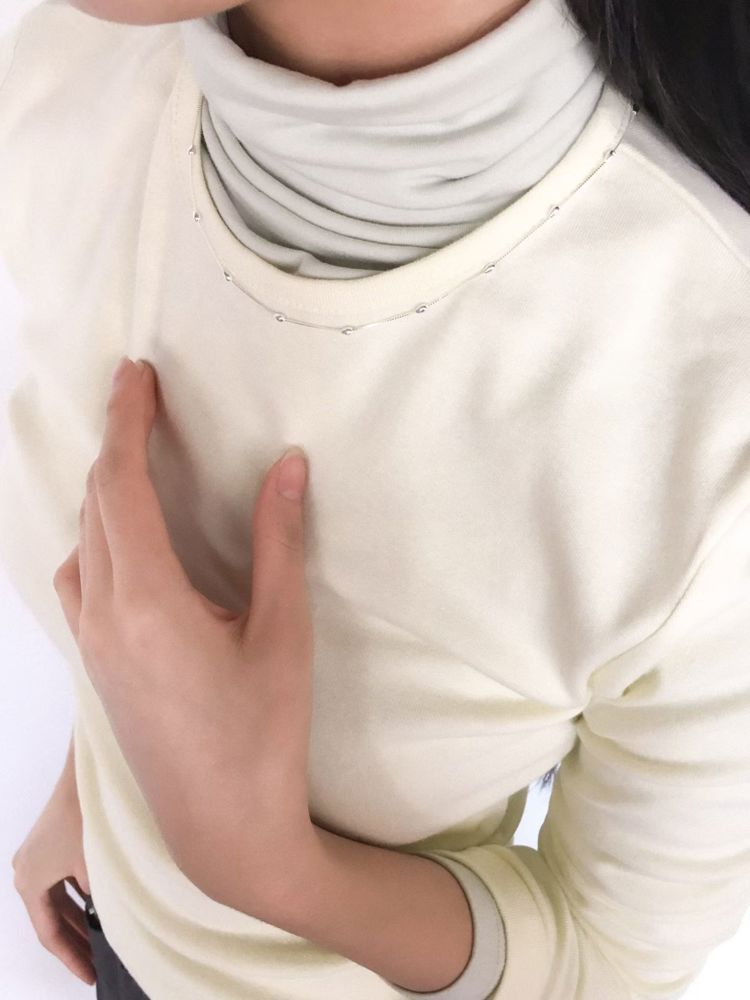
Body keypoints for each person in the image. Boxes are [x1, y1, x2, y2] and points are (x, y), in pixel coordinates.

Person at [2, 0, 749, 998]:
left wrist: (269, 867)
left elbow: (607, 953)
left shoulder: (705, 416)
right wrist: (100, 784)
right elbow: (141, 604)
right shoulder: (74, 68)